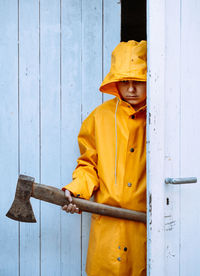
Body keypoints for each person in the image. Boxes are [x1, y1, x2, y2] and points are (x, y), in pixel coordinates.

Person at [62, 40, 147, 276]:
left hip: (146, 229)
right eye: (124, 81)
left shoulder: (162, 118)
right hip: (107, 229)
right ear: (114, 82)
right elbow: (88, 165)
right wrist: (76, 191)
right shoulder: (99, 118)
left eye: (138, 81)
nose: (131, 89)